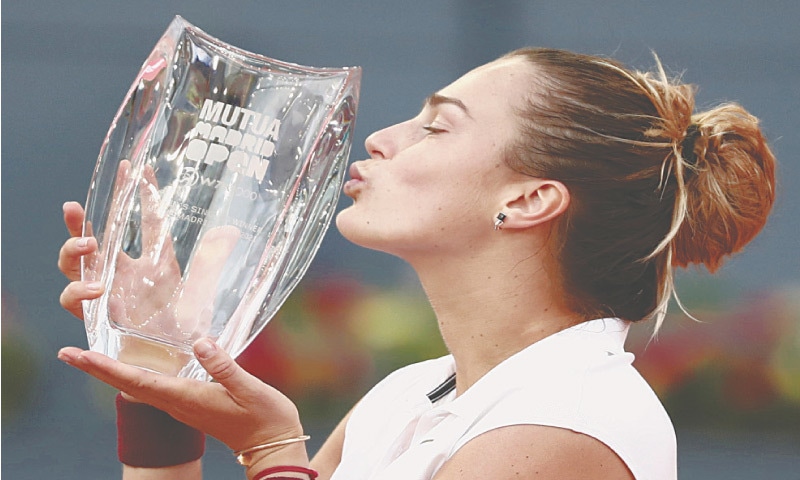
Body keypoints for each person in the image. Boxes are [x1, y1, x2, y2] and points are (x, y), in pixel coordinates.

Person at [57, 47, 776, 480]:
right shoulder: (411, 395)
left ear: (528, 200)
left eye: (437, 126)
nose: (381, 139)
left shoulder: (562, 427)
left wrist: (271, 450)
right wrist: (156, 373)